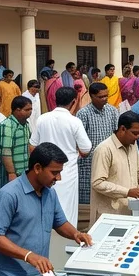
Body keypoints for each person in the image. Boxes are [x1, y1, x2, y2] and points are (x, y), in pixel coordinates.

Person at [0, 144, 92, 276]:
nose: (59, 178)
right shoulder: (8, 195)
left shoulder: (49, 193)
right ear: (37, 168)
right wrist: (28, 255)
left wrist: (76, 234)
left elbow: (60, 222)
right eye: (54, 172)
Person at [30, 86, 92, 219]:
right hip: (67, 171)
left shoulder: (42, 118)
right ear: (74, 102)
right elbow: (86, 149)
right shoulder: (74, 122)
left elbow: (32, 146)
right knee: (66, 209)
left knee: (45, 207)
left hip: (45, 171)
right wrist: (76, 152)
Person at [89, 110, 139, 222]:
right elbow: (97, 183)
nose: (138, 137)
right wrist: (127, 192)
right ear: (122, 129)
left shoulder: (133, 145)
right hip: (108, 214)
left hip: (128, 211)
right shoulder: (104, 150)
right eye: (135, 133)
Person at [76, 81, 120, 209]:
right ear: (92, 96)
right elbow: (79, 140)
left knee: (107, 192)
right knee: (88, 196)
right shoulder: (83, 113)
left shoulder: (112, 111)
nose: (105, 99)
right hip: (89, 161)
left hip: (108, 159)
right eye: (101, 97)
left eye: (106, 96)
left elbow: (116, 134)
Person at [0, 95, 33, 186]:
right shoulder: (7, 125)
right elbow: (6, 151)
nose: (30, 112)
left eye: (31, 109)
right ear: (17, 110)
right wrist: (11, 173)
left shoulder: (26, 124)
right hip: (11, 174)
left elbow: (28, 145)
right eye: (27, 109)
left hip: (24, 171)